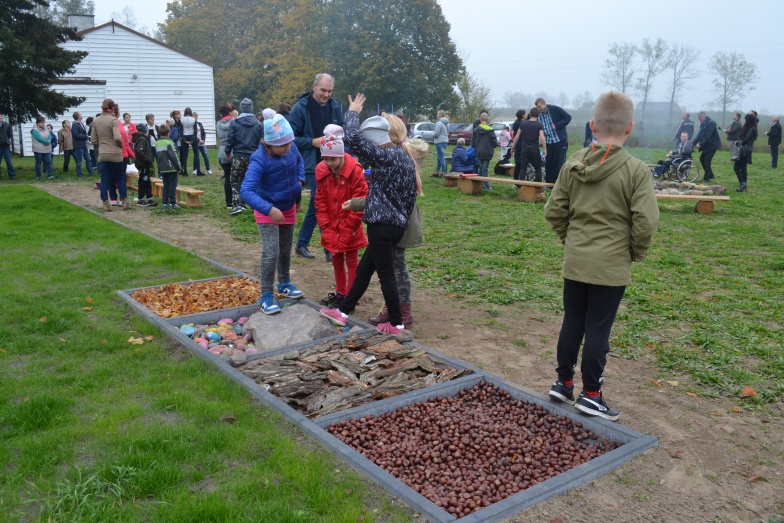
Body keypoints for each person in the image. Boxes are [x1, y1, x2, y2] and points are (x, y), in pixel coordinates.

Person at [544, 91, 659, 421]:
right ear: (630, 127)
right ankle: (591, 395)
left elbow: (554, 212)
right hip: (610, 266)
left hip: (576, 262)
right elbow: (646, 221)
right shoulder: (636, 171)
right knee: (597, 331)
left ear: (592, 125)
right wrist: (634, 252)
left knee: (572, 324)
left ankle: (563, 382)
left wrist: (572, 241)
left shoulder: (572, 164)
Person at [320, 93, 418, 335]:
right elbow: (408, 196)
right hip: (395, 226)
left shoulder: (384, 157)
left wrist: (352, 112)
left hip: (381, 225)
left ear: (374, 139)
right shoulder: (404, 158)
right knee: (365, 270)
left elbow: (352, 138)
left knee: (386, 276)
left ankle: (396, 324)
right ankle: (343, 311)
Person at [239, 113, 306, 314]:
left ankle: (284, 282)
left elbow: (300, 163)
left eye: (289, 144)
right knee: (271, 253)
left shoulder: (291, 147)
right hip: (267, 209)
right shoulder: (259, 160)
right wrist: (269, 209)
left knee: (285, 249)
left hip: (288, 207)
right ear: (267, 143)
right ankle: (266, 294)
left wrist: (299, 184)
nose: (287, 149)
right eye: (282, 146)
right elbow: (246, 190)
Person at [362, 134, 427, 327]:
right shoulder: (400, 165)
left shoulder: (402, 169)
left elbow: (387, 200)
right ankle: (394, 309)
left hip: (399, 227)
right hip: (392, 224)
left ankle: (402, 312)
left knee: (397, 270)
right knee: (392, 270)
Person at [289, 73, 345, 261]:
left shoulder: (335, 107)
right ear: (314, 87)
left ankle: (304, 244)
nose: (326, 94)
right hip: (312, 164)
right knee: (321, 200)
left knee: (320, 202)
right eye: (323, 90)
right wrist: (312, 142)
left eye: (329, 91)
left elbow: (342, 131)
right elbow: (290, 139)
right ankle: (328, 248)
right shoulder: (300, 108)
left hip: (334, 162)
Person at [315, 124, 369, 308]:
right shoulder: (322, 172)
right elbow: (320, 200)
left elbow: (360, 200)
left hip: (349, 225)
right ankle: (340, 293)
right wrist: (324, 224)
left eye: (332, 159)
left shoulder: (355, 172)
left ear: (340, 155)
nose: (328, 163)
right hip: (331, 224)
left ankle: (350, 298)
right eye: (325, 159)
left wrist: (349, 225)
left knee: (352, 261)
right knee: (336, 260)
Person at [224, 97, 264, 215]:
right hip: (254, 156)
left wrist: (227, 151)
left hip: (239, 156)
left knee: (235, 179)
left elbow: (230, 138)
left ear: (241, 108)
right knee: (254, 180)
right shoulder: (258, 124)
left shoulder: (235, 123)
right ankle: (255, 205)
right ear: (251, 109)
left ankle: (238, 204)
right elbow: (262, 140)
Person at [90, 99, 128, 211]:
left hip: (103, 153)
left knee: (104, 179)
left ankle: (105, 203)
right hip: (115, 152)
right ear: (112, 109)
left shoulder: (96, 120)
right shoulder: (113, 120)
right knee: (120, 178)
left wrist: (101, 144)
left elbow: (93, 139)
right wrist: (120, 145)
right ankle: (124, 201)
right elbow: (117, 137)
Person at [535, 97, 572, 183]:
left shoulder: (554, 109)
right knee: (549, 163)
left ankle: (559, 183)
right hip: (548, 142)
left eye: (539, 107)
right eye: (537, 107)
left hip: (559, 140)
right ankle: (549, 183)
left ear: (544, 104)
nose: (539, 109)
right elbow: (530, 118)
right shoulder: (538, 114)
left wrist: (557, 125)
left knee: (558, 162)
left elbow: (568, 117)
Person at [510, 106, 546, 182]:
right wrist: (545, 149)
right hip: (534, 149)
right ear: (538, 115)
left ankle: (521, 187)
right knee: (538, 169)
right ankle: (538, 188)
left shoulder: (523, 123)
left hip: (524, 150)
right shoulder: (539, 124)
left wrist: (513, 147)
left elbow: (516, 137)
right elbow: (542, 138)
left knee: (523, 170)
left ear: (530, 114)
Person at [155, 124, 182, 210]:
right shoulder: (169, 142)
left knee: (165, 185)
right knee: (172, 186)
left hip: (162, 168)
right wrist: (179, 167)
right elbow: (174, 156)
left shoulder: (157, 143)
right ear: (168, 133)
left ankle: (165, 204)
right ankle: (173, 203)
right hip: (171, 167)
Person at [470, 112, 497, 190]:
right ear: (487, 119)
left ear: (480, 119)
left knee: (481, 168)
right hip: (488, 152)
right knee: (485, 169)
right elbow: (495, 143)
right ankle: (487, 186)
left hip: (479, 152)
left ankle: (480, 184)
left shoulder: (475, 130)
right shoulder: (491, 130)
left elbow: (472, 144)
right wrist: (490, 146)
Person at [691, 111, 721, 181]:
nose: (699, 120)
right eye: (698, 118)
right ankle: (710, 175)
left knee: (707, 160)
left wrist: (700, 144)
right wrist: (692, 143)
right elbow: (699, 135)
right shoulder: (703, 123)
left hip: (713, 144)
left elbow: (708, 136)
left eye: (700, 118)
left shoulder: (711, 123)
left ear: (704, 117)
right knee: (702, 159)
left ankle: (706, 178)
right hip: (707, 145)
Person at [216, 102, 236, 209]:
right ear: (230, 111)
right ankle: (237, 201)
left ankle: (228, 203)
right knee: (236, 177)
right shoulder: (234, 121)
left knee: (227, 177)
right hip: (233, 150)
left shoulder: (218, 123)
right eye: (233, 110)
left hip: (223, 151)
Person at [132, 123, 156, 206]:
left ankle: (149, 197)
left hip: (143, 164)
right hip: (143, 164)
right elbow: (140, 151)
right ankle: (141, 198)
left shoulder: (140, 139)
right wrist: (148, 160)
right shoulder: (142, 139)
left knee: (147, 181)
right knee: (143, 181)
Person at [733, 113, 758, 192]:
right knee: (743, 168)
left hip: (744, 150)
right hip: (747, 150)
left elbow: (746, 140)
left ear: (748, 120)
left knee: (736, 168)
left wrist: (738, 142)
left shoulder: (750, 128)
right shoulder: (752, 128)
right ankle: (744, 186)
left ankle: (742, 183)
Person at [179, 107, 202, 175]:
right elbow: (195, 130)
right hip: (192, 135)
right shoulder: (193, 119)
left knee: (185, 154)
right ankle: (198, 170)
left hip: (185, 135)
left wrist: (184, 139)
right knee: (196, 154)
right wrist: (192, 140)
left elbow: (180, 130)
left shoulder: (182, 120)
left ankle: (184, 170)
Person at [71, 112, 93, 177]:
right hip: (78, 145)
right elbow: (75, 134)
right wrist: (86, 137)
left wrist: (86, 136)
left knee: (88, 159)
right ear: (77, 116)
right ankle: (79, 173)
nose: (81, 115)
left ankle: (91, 172)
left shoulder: (81, 124)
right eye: (80, 114)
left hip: (83, 144)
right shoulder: (75, 125)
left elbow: (83, 133)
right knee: (79, 160)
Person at [0, 114, 16, 179]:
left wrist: (6, 140)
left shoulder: (6, 125)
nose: (0, 118)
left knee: (9, 161)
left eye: (1, 117)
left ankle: (12, 176)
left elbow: (9, 134)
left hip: (6, 146)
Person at [511, 109, 526, 179]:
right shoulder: (524, 123)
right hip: (523, 143)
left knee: (517, 163)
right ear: (523, 115)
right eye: (525, 114)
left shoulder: (515, 123)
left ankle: (515, 179)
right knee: (522, 164)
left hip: (517, 144)